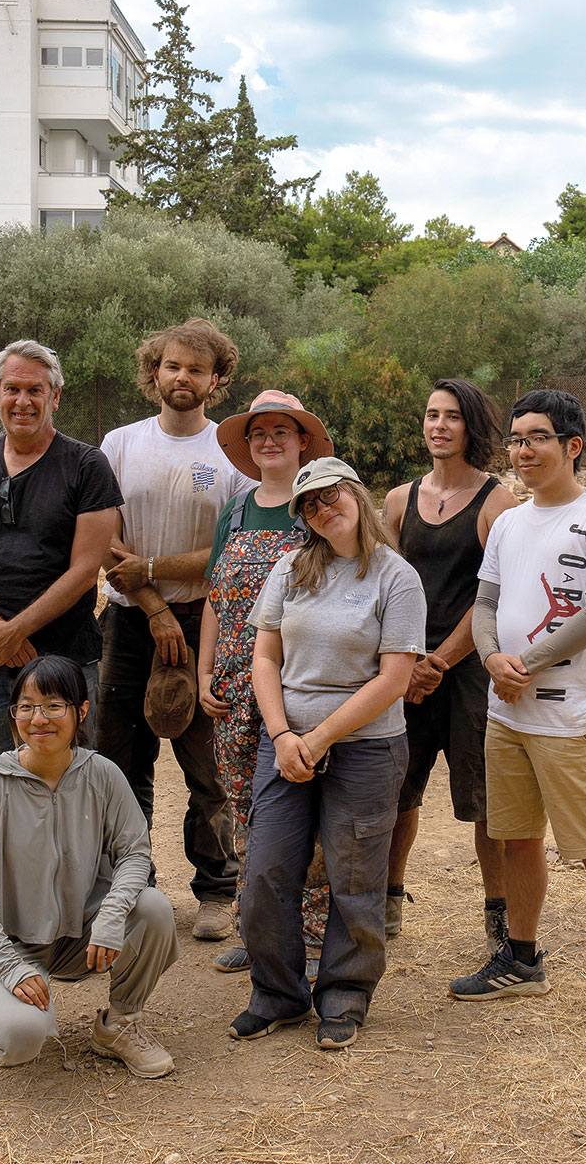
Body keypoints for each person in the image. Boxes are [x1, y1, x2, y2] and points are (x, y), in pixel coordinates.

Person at [448, 388, 586, 1038]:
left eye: (536, 437)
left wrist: (523, 664)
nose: (522, 450)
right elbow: (485, 604)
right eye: (516, 438)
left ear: (572, 446)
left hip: (569, 718)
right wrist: (490, 656)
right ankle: (522, 961)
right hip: (509, 716)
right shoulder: (508, 522)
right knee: (517, 840)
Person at [229, 458, 425, 1050]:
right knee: (266, 869)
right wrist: (283, 735)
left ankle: (344, 989)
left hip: (366, 747)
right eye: (308, 505)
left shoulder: (396, 578)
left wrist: (318, 739)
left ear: (357, 496)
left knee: (355, 873)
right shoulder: (291, 570)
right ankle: (278, 993)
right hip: (285, 743)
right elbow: (266, 658)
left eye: (330, 495)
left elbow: (394, 680)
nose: (322, 508)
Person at [94, 320, 251, 942]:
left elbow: (231, 547)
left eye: (196, 370)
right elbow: (101, 536)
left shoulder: (230, 454)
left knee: (208, 766)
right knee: (120, 760)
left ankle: (215, 888)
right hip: (130, 621)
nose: (181, 378)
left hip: (203, 623)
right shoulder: (119, 444)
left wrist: (156, 574)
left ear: (217, 381)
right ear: (153, 372)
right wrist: (153, 603)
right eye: (171, 366)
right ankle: (136, 888)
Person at [0, 655, 180, 1078]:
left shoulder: (103, 775)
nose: (39, 718)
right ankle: (9, 1017)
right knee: (20, 1041)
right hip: (4, 940)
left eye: (54, 705)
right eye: (26, 706)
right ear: (13, 713)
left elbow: (135, 851)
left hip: (81, 932)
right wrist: (9, 963)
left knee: (153, 909)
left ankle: (119, 1025)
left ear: (81, 710)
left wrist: (111, 916)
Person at [197, 392, 334, 975]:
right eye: (259, 433)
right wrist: (204, 671)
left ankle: (313, 931)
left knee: (304, 805)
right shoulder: (234, 510)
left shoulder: (322, 507)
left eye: (283, 430)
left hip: (300, 683)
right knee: (246, 808)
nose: (270, 440)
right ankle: (257, 930)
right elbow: (214, 598)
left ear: (304, 442)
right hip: (233, 687)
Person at [0, 341, 123, 761]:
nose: (23, 401)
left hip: (65, 663)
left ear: (54, 397)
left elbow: (84, 569)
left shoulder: (87, 466)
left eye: (35, 390)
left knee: (69, 788)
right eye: (12, 389)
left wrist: (16, 630)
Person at [381, 379, 516, 948]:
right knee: (394, 792)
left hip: (467, 672)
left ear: (472, 427)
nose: (439, 426)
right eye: (432, 415)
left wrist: (437, 660)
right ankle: (387, 902)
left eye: (452, 417)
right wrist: (406, 661)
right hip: (403, 667)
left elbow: (496, 595)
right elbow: (381, 585)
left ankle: (498, 916)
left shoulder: (497, 502)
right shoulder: (396, 501)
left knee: (484, 803)